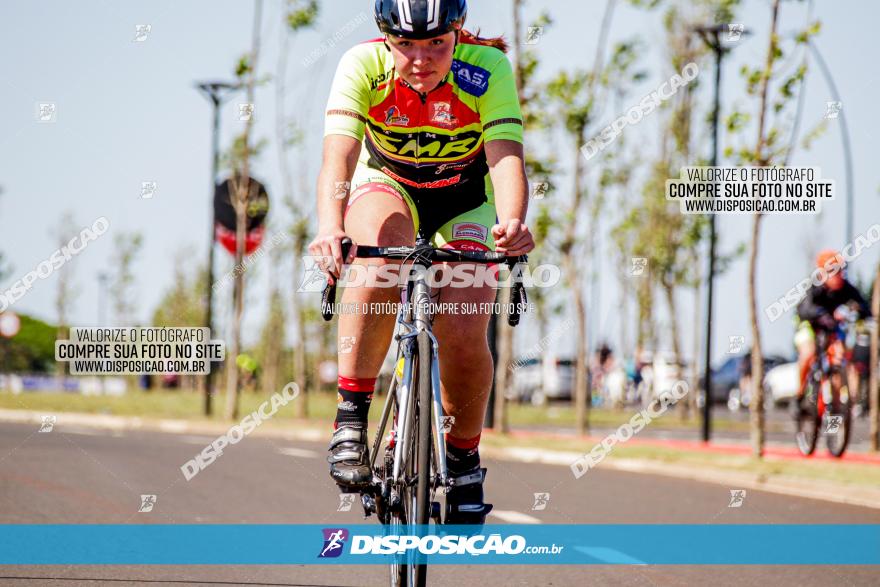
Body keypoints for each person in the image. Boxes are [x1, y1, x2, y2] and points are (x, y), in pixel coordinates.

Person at [309, 0, 534, 525]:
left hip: (465, 196)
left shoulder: (488, 70)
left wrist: (513, 222)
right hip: (388, 184)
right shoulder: (360, 64)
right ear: (384, 35)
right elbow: (338, 159)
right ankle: (350, 417)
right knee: (380, 256)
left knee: (463, 324)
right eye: (406, 43)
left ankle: (463, 457)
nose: (420, 58)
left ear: (457, 33)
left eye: (436, 42)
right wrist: (330, 227)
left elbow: (505, 158)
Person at [793, 250, 872, 412]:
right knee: (809, 353)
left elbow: (865, 307)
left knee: (839, 357)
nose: (837, 275)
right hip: (810, 326)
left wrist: (857, 312)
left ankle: (836, 406)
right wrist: (822, 314)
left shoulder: (846, 288)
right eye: (832, 271)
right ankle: (799, 395)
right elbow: (804, 309)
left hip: (832, 329)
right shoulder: (814, 287)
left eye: (840, 270)